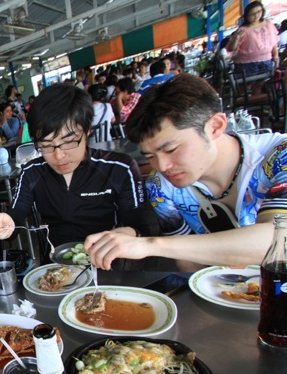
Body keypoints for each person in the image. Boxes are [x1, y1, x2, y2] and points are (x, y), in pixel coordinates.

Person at [84, 74, 287, 270]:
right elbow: (187, 262)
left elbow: (279, 241)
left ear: (215, 126)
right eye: (150, 156)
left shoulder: (279, 157)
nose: (162, 166)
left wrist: (150, 244)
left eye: (171, 149)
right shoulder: (160, 186)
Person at [0, 83, 152, 259]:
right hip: (54, 267)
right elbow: (17, 215)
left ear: (86, 131)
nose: (58, 155)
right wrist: (6, 224)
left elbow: (139, 226)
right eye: (46, 146)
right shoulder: (31, 172)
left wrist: (126, 234)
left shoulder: (120, 168)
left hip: (105, 265)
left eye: (69, 142)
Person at [227, 1, 279, 77]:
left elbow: (274, 41)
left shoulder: (268, 24)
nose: (256, 16)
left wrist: (276, 55)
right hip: (246, 63)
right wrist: (236, 38)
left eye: (258, 11)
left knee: (260, 85)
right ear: (247, 16)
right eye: (252, 14)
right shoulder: (242, 30)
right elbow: (231, 49)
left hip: (266, 60)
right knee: (245, 86)